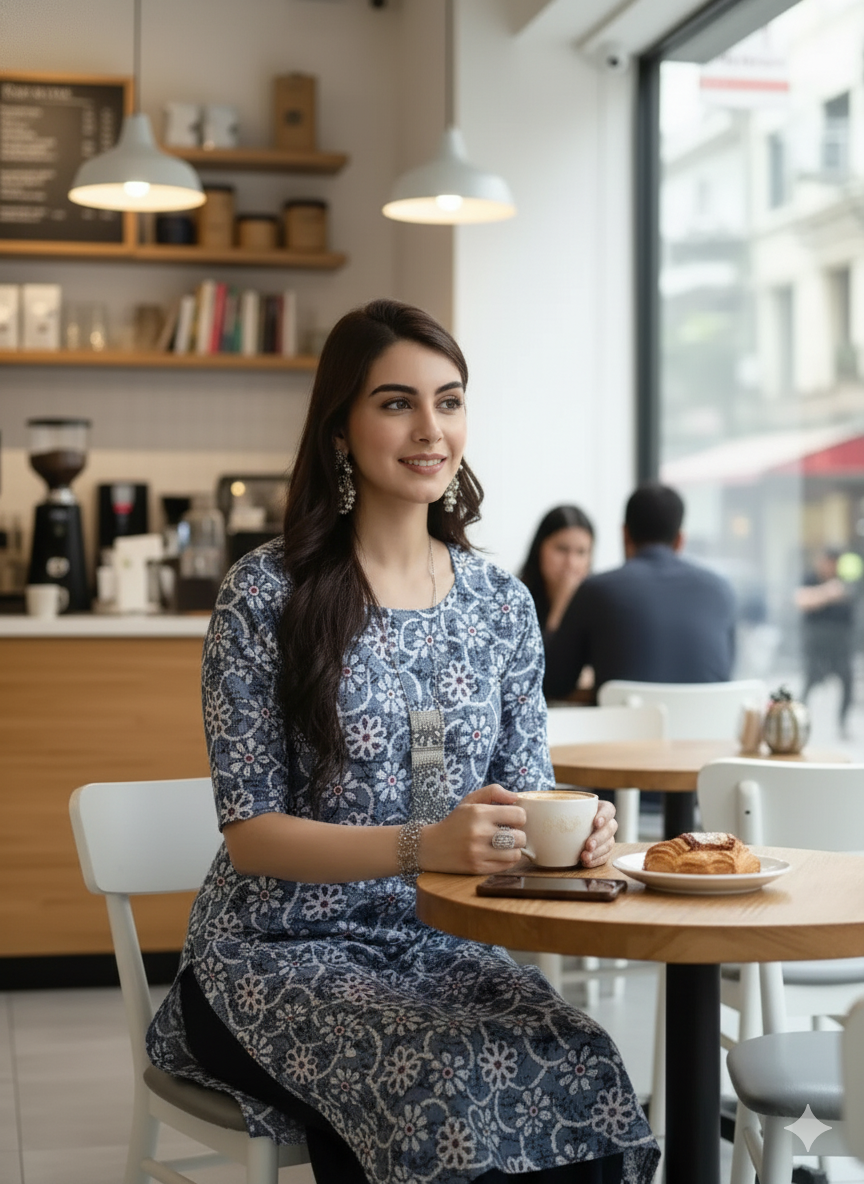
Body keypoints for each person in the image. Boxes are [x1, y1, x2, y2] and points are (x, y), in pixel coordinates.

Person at [146, 299, 659, 1184]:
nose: (431, 429)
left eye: (449, 401)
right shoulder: (266, 594)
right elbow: (251, 830)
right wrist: (422, 844)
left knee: (583, 1067)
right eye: (396, 403)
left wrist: (572, 835)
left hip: (442, 942)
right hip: (274, 951)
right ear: (341, 427)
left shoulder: (500, 605)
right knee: (440, 1084)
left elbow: (522, 795)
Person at [543, 483, 736, 700]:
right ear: (680, 540)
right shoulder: (722, 591)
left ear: (624, 534)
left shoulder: (596, 590)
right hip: (709, 732)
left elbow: (552, 685)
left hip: (626, 732)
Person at [795, 547, 855, 735]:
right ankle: (798, 721)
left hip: (840, 641)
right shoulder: (811, 578)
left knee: (847, 681)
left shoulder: (847, 579)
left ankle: (842, 723)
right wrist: (827, 593)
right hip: (816, 641)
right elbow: (802, 600)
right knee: (810, 681)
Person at [520, 505, 595, 633]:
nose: (571, 563)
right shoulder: (517, 599)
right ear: (539, 548)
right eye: (562, 549)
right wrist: (560, 608)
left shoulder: (597, 604)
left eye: (581, 552)